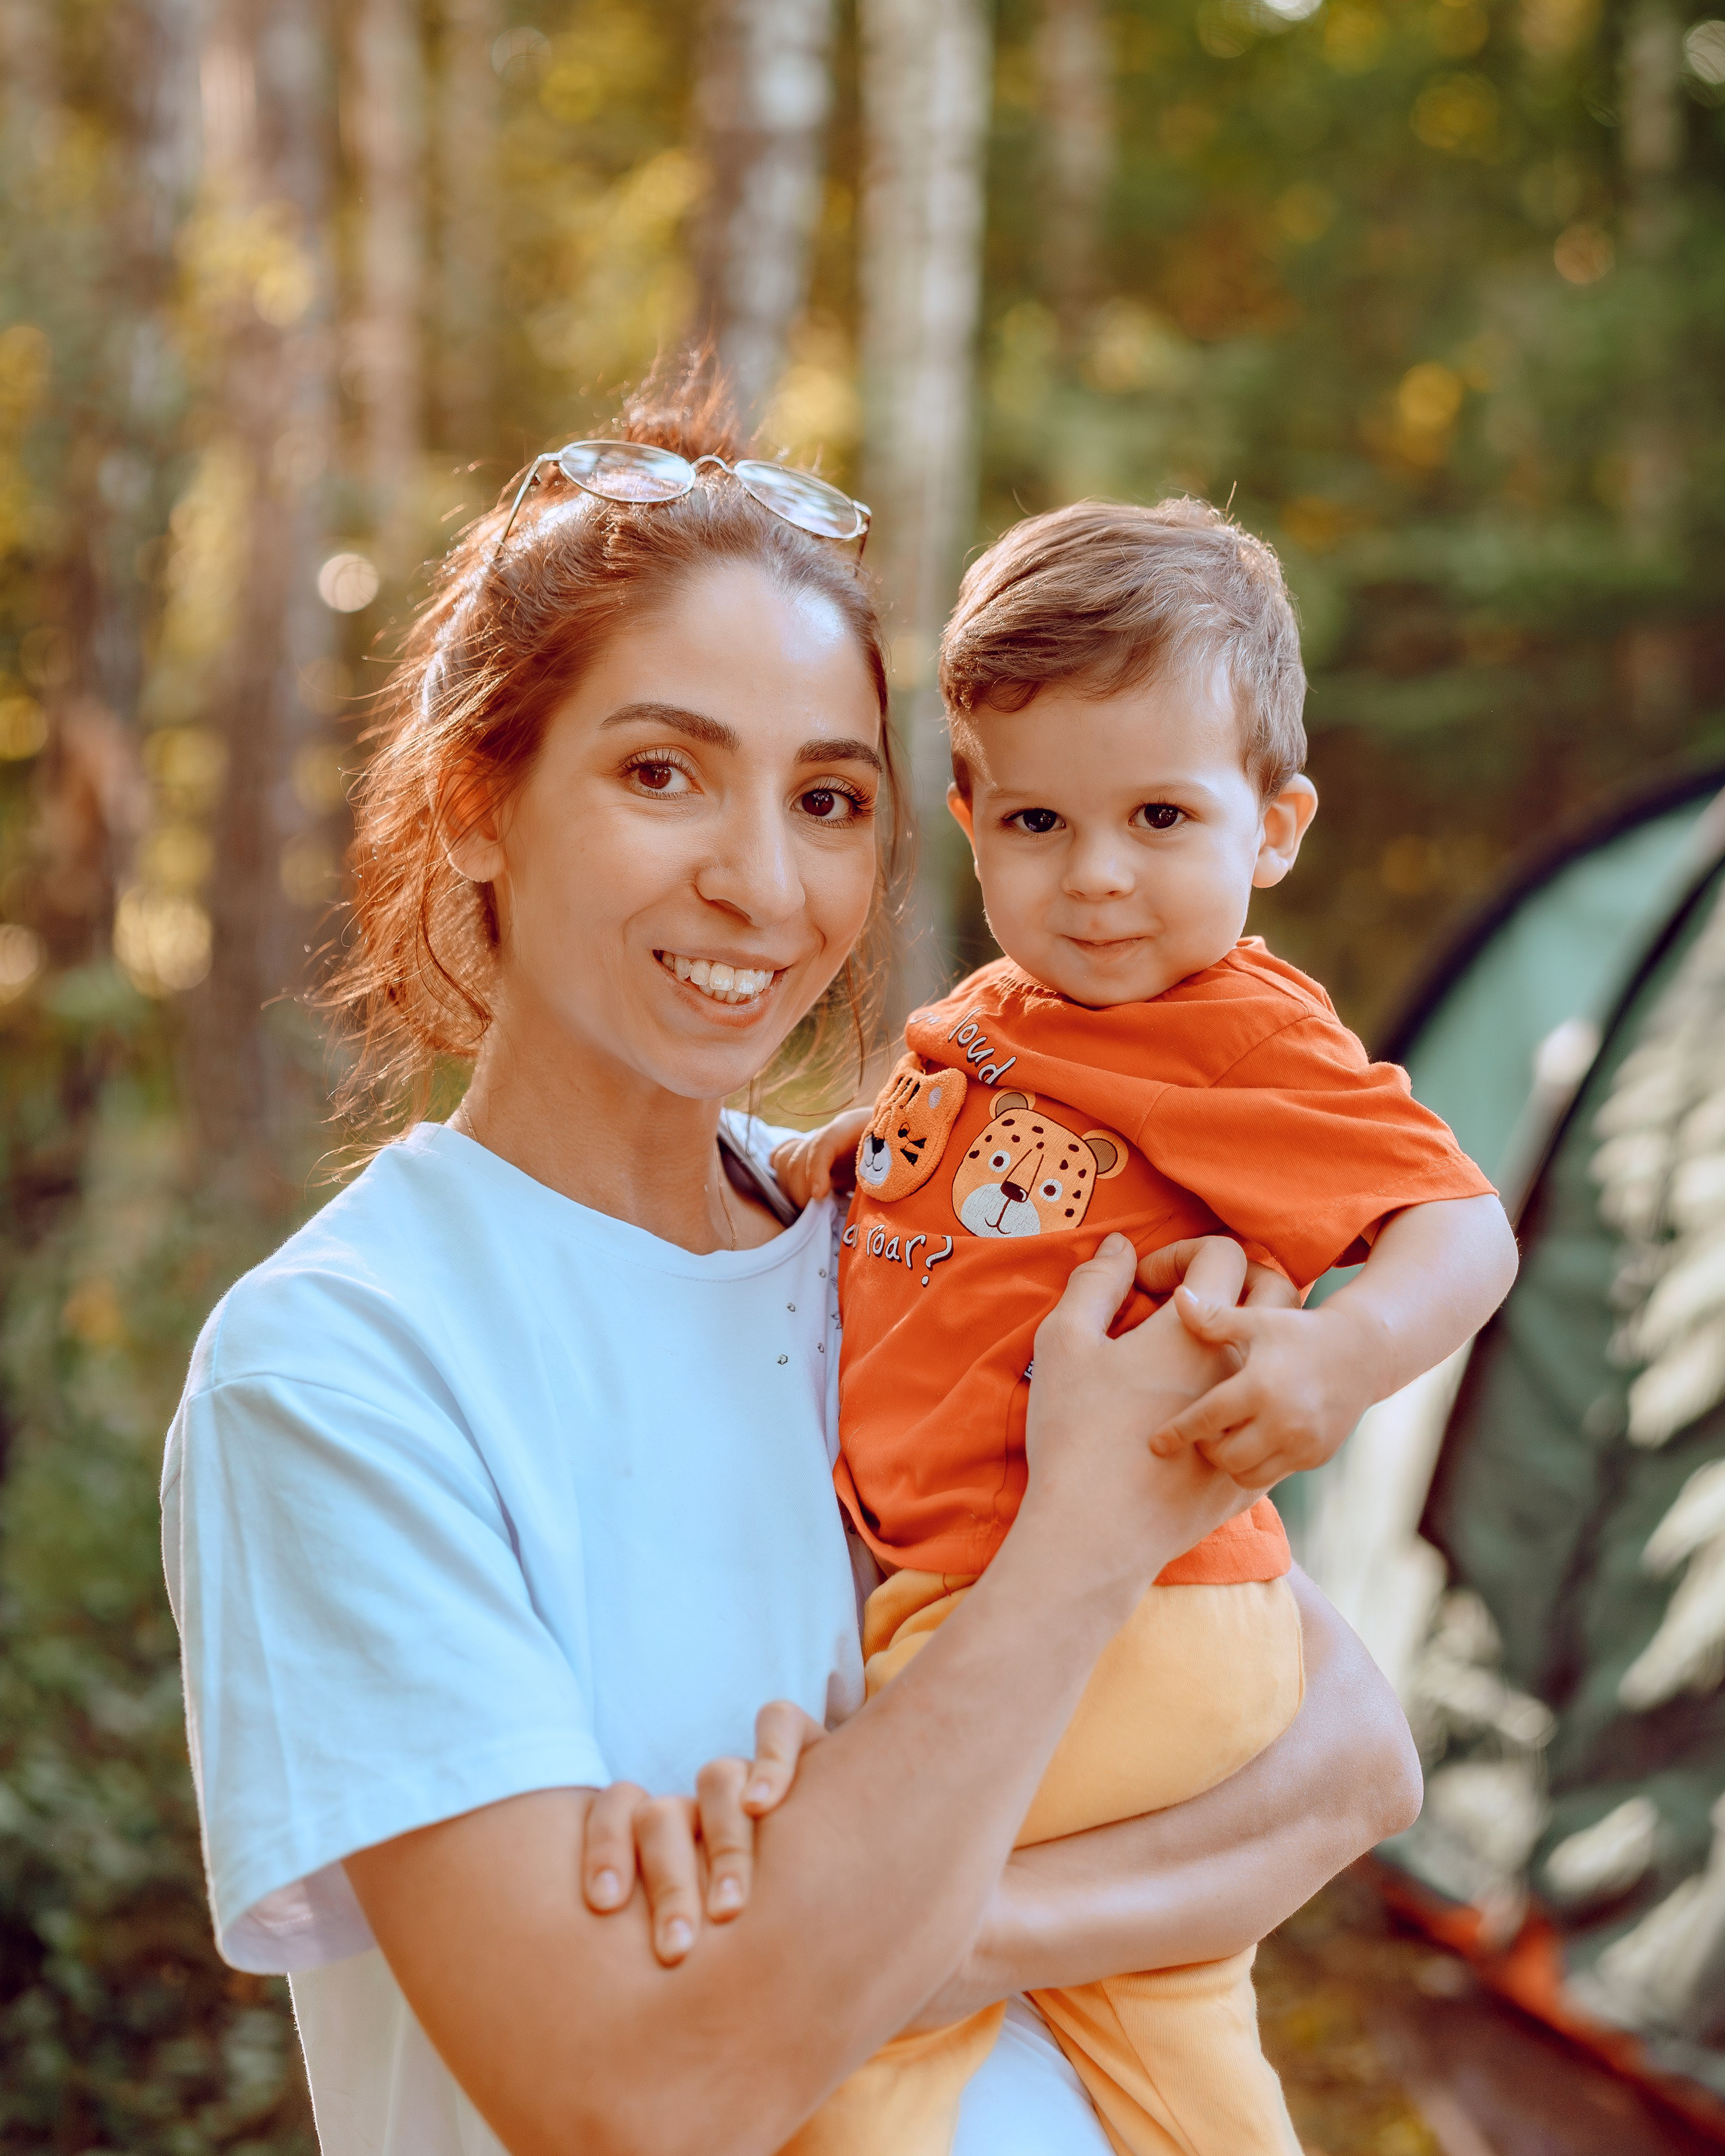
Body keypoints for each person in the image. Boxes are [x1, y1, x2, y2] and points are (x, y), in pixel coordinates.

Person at [161, 375, 1422, 2156]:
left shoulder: (916, 1227)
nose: (763, 883)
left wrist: (864, 1942)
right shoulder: (347, 1366)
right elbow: (629, 2090)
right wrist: (1077, 1541)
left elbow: (1355, 1755)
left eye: (830, 799)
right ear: (473, 801)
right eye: (662, 771)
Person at [772, 498, 1519, 2154]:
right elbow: (949, 1163)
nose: (1096, 877)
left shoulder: (1233, 1033)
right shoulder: (990, 1015)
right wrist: (851, 1154)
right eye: (1037, 820)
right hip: (1038, 1605)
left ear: (1273, 826)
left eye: (1159, 815)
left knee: (856, 1992)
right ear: (968, 815)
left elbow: (1462, 1226)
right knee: (1166, 2033)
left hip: (1119, 1618)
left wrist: (1336, 1358)